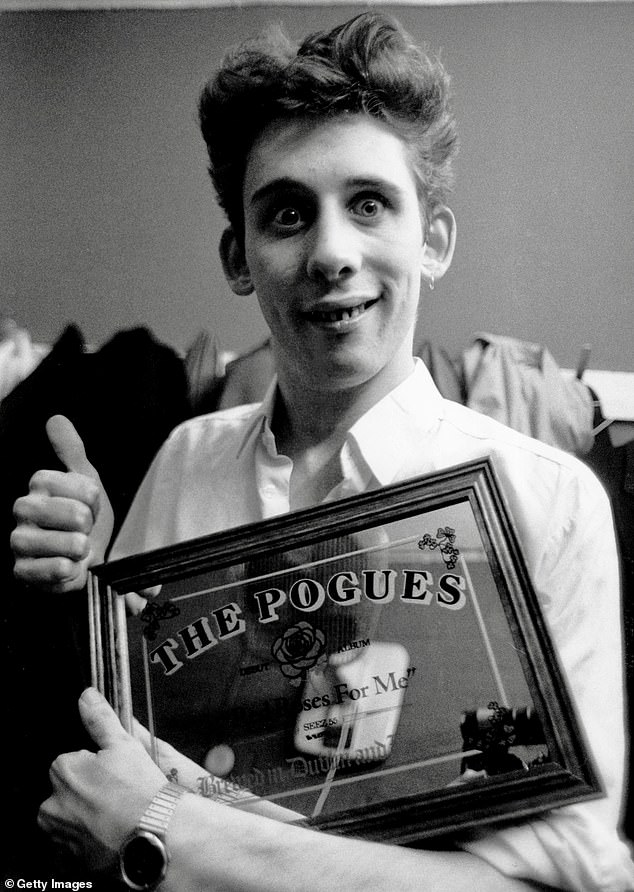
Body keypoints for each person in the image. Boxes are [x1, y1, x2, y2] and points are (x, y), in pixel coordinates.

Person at [11, 12, 634, 891]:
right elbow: (117, 752)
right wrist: (89, 586)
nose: (331, 253)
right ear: (240, 257)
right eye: (288, 214)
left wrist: (165, 836)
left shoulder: (550, 504)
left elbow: (560, 877)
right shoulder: (185, 461)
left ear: (434, 242)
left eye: (370, 203)